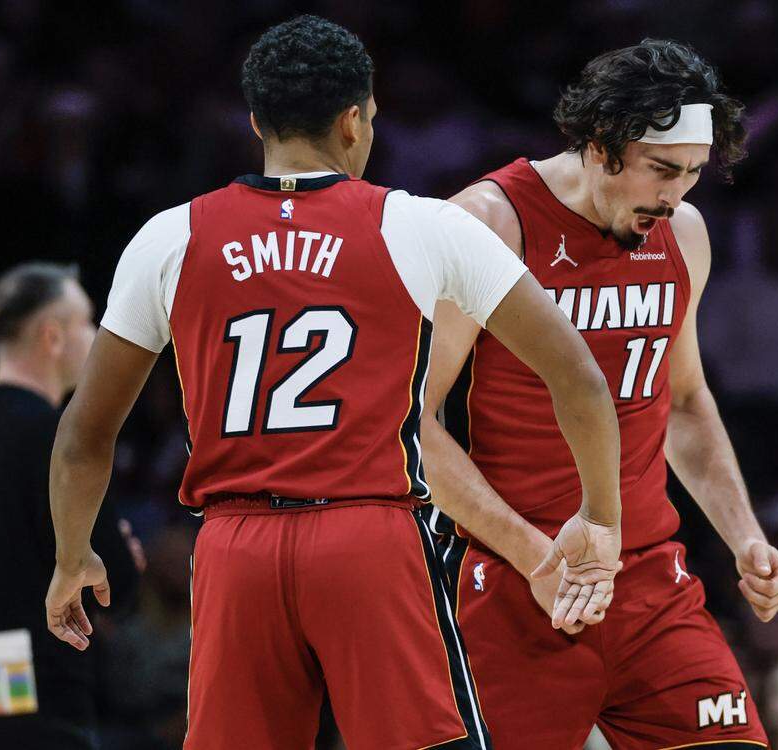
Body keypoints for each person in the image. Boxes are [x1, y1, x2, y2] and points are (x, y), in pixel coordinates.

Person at [42, 16, 624, 750]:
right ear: (354, 121)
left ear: (256, 121)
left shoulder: (170, 236)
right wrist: (600, 516)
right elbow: (579, 378)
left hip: (233, 548)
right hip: (368, 538)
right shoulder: (419, 226)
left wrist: (72, 558)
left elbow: (83, 436)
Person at [420, 40, 778, 749]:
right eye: (661, 171)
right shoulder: (487, 223)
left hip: (650, 578)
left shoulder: (683, 232)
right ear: (599, 146)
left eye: (690, 173)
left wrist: (745, 536)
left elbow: (683, 401)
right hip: (515, 582)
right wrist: (537, 559)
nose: (675, 195)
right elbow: (409, 423)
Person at [0, 263, 139, 750]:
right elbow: (114, 585)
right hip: (37, 691)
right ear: (52, 337)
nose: (97, 335)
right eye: (87, 322)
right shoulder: (60, 438)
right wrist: (125, 559)